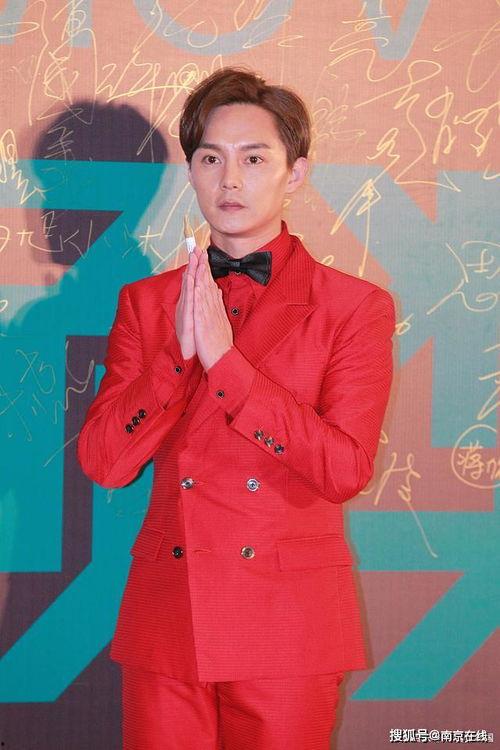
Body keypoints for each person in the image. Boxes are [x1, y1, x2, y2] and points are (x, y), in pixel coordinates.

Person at [77, 67, 396, 750]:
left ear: (295, 172)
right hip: (169, 619)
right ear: (190, 172)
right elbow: (105, 462)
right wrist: (177, 356)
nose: (230, 180)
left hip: (288, 625)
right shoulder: (146, 303)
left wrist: (226, 364)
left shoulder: (353, 307)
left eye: (254, 159)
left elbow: (344, 469)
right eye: (210, 158)